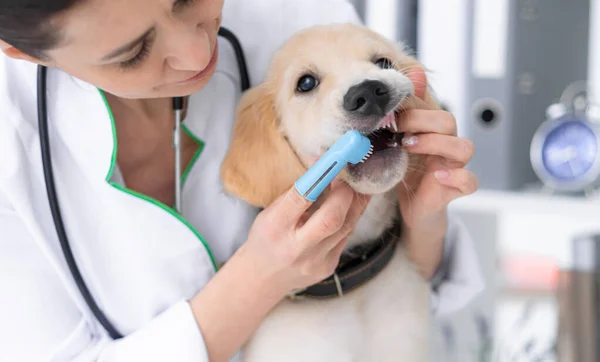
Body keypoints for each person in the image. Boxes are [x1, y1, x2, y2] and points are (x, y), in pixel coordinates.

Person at [0, 0, 483, 361]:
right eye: (132, 52)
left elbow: (419, 273)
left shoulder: (296, 12)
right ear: (20, 52)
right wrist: (260, 279)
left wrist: (423, 214)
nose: (195, 53)